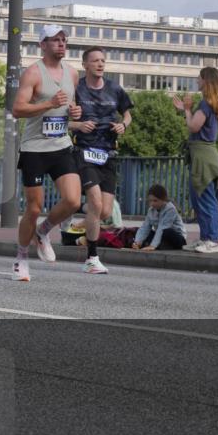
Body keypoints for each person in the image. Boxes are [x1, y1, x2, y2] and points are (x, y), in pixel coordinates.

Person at [11, 25, 83, 282]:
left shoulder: (72, 74)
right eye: (55, 40)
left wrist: (75, 112)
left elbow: (71, 105)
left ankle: (43, 232)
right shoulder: (33, 73)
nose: (61, 44)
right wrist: (48, 104)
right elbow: (18, 109)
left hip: (61, 145)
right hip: (35, 149)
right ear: (43, 45)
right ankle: (21, 258)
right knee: (33, 208)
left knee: (74, 201)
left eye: (64, 40)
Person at [70, 46, 133, 274]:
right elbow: (58, 120)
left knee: (104, 211)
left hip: (109, 153)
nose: (100, 64)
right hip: (85, 151)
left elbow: (128, 114)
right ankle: (92, 258)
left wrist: (123, 125)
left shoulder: (115, 89)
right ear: (85, 64)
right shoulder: (76, 89)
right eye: (95, 60)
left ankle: (81, 222)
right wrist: (77, 125)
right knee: (95, 203)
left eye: (103, 61)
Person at [173, 66, 218, 254]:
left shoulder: (206, 103)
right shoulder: (211, 102)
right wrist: (185, 110)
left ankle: (212, 240)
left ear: (206, 80)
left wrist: (187, 110)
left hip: (203, 158)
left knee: (206, 199)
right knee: (199, 199)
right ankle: (205, 238)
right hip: (204, 156)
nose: (197, 80)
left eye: (199, 77)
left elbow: (194, 127)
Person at [131, 184, 187, 251]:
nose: (152, 204)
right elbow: (145, 227)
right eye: (150, 201)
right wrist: (137, 242)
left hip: (177, 238)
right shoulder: (151, 210)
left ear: (163, 199)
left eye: (155, 200)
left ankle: (159, 245)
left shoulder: (170, 209)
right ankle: (160, 245)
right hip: (161, 237)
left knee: (166, 231)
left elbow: (162, 228)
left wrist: (152, 245)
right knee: (139, 231)